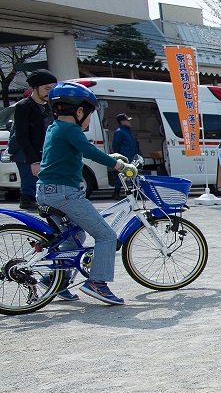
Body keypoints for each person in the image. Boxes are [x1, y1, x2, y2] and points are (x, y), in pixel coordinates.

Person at [36, 82, 137, 306]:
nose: (90, 119)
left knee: (75, 237)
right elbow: (89, 151)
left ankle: (55, 282)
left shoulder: (56, 128)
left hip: (47, 191)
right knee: (106, 235)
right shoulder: (70, 130)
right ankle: (97, 283)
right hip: (64, 194)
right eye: (91, 114)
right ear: (79, 111)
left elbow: (82, 149)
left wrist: (112, 156)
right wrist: (120, 167)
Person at [11, 69, 56, 211]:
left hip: (46, 152)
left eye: (52, 89)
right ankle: (27, 199)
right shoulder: (23, 106)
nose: (50, 92)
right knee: (29, 181)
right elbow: (21, 136)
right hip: (28, 153)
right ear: (35, 87)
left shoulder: (51, 106)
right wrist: (33, 161)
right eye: (47, 88)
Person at [110, 113, 140, 198]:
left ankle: (136, 193)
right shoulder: (119, 132)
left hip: (133, 156)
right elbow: (116, 145)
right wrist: (120, 156)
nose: (129, 122)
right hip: (126, 157)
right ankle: (116, 193)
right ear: (122, 122)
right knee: (122, 176)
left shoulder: (128, 132)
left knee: (135, 174)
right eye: (127, 120)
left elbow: (135, 144)